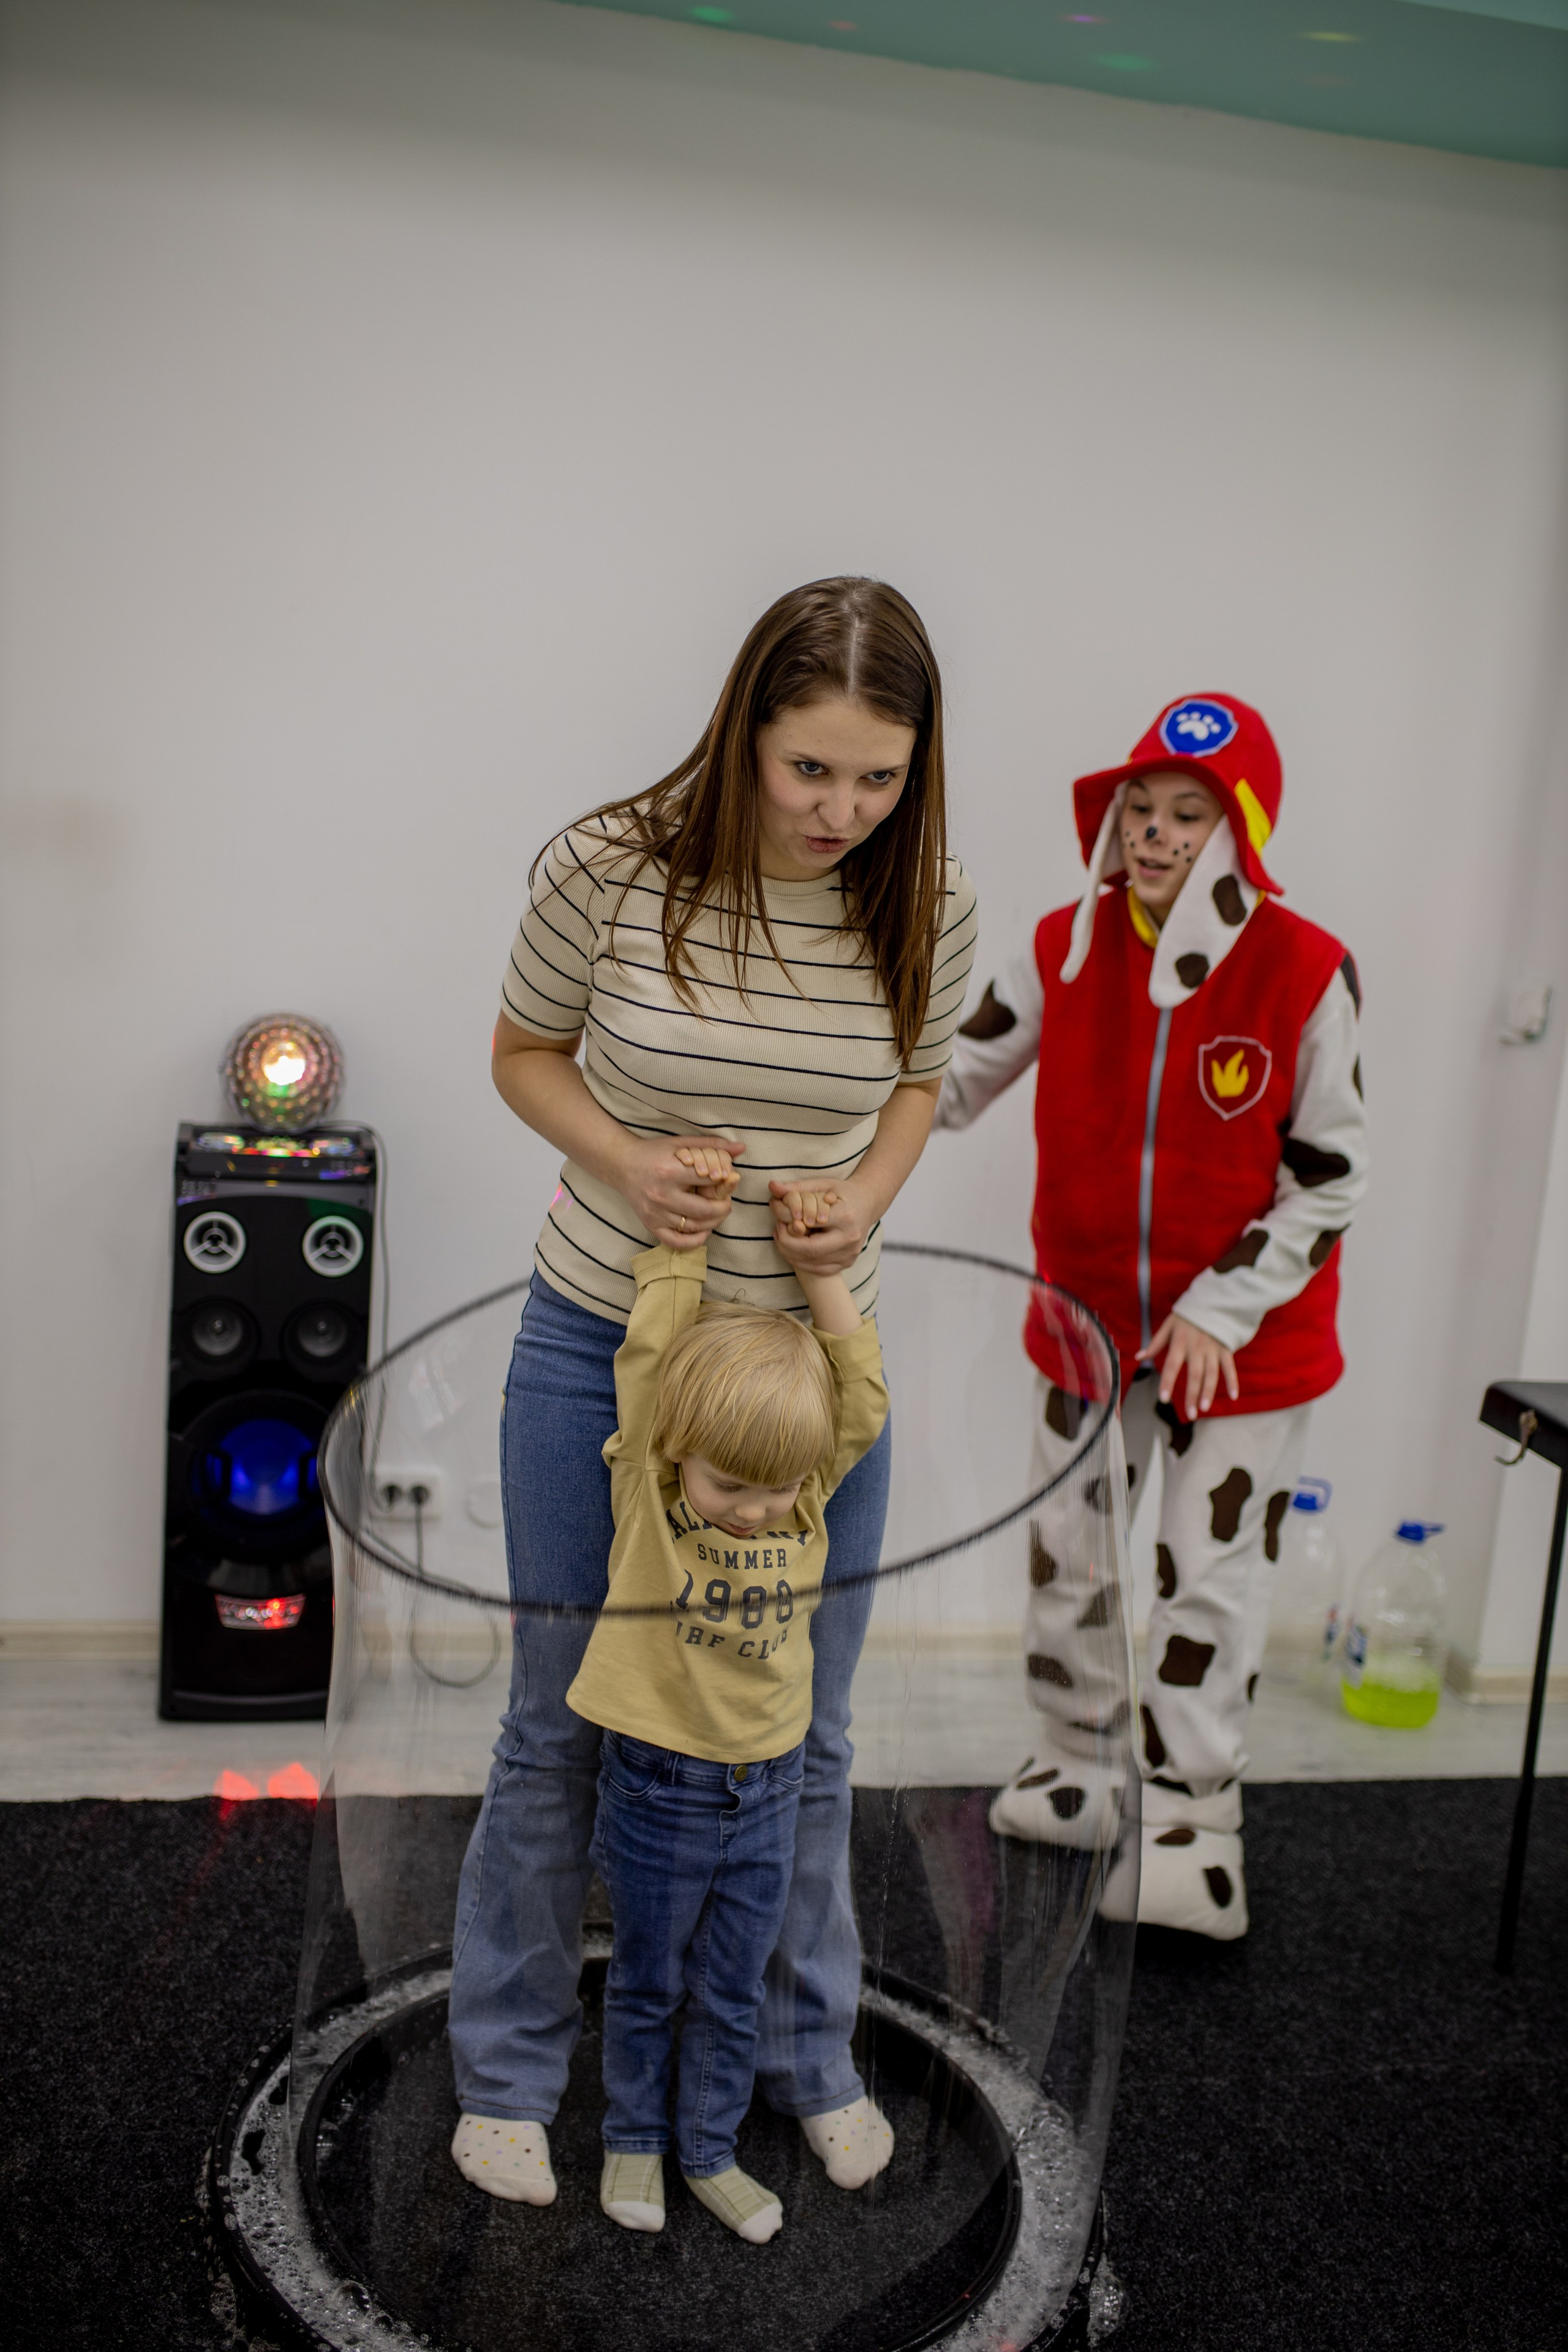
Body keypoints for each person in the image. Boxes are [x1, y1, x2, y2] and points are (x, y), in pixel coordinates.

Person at [447, 577, 978, 2204]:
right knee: (558, 1731)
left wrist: (864, 1205)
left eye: (879, 776)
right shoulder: (607, 867)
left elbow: (912, 1087)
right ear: (744, 731)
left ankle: (801, 2059)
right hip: (604, 1353)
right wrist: (628, 1162)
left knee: (803, 1737)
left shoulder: (927, 902)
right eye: (810, 768)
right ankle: (514, 2081)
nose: (842, 810)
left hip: (813, 1387)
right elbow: (522, 1051)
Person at [937, 694, 1367, 1939]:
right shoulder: (1060, 949)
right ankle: (1074, 1763)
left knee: (1204, 1574)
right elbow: (949, 1081)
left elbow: (1328, 1178)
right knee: (1066, 1556)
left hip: (1241, 1354)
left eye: (1186, 813)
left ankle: (1190, 1813)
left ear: (1237, 834)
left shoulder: (1301, 969)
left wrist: (1221, 1309)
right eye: (1138, 809)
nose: (1153, 834)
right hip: (1083, 1331)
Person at [567, 1190, 888, 2244]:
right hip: (663, 1779)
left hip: (771, 1783)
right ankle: (634, 2140)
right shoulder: (652, 1496)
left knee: (732, 1985)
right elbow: (651, 1372)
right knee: (652, 1977)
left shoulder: (804, 1496)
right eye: (730, 1484)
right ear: (678, 1452)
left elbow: (858, 1405)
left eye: (775, 1486)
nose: (755, 1509)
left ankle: (709, 2150)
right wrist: (677, 1255)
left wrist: (824, 1278)